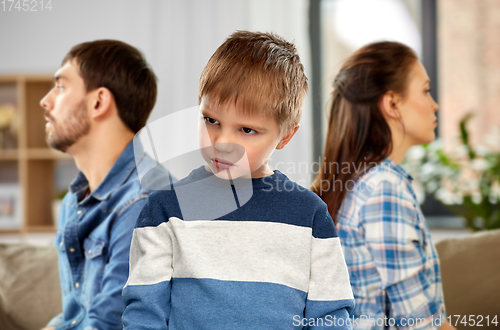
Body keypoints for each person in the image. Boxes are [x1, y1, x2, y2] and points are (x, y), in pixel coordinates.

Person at [122, 31, 355, 329]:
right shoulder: (164, 210)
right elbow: (144, 315)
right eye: (211, 120)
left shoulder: (309, 216)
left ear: (286, 135)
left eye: (246, 130)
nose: (222, 142)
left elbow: (331, 317)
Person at [311, 41, 455, 330]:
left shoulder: (359, 182)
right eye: (425, 91)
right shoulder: (384, 191)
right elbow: (422, 325)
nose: (434, 104)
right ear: (391, 104)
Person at [40, 40, 158, 330]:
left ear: (98, 102)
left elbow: (107, 325)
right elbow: (77, 314)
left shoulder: (144, 202)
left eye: (61, 86)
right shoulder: (74, 199)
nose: (46, 101)